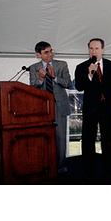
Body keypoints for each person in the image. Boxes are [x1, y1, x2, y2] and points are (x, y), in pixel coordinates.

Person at [74, 38, 111, 183]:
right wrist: (89, 75)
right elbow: (79, 86)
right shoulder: (81, 67)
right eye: (91, 48)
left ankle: (110, 171)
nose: (94, 51)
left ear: (103, 50)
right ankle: (89, 172)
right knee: (88, 141)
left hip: (107, 109)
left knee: (108, 140)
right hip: (91, 109)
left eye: (96, 48)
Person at [29, 41, 72, 182]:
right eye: (46, 52)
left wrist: (54, 77)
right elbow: (33, 88)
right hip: (42, 109)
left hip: (59, 107)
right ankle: (45, 168)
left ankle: (61, 170)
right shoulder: (33, 68)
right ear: (38, 54)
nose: (50, 54)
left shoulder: (62, 65)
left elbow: (68, 83)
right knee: (43, 139)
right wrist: (41, 79)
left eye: (51, 51)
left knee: (60, 139)